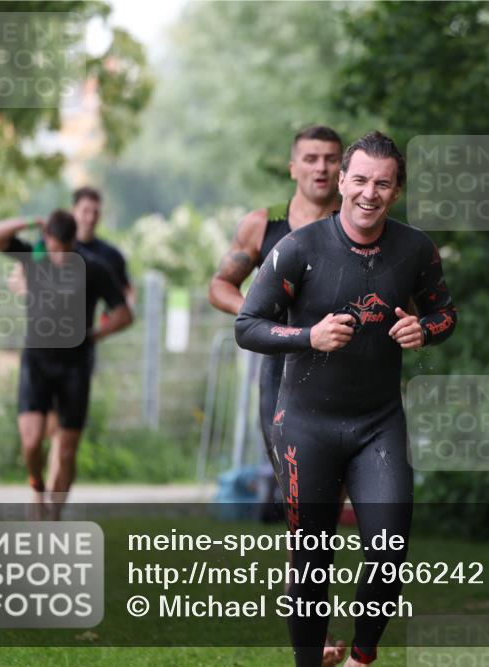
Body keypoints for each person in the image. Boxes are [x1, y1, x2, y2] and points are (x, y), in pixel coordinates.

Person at [235, 131, 457, 667]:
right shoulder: (298, 248)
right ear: (342, 181)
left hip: (378, 424)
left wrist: (423, 331)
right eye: (359, 180)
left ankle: (361, 657)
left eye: (382, 183)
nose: (369, 193)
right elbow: (248, 325)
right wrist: (308, 336)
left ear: (397, 190)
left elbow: (445, 314)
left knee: (390, 548)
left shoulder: (415, 249)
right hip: (306, 426)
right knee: (312, 560)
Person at [209, 125, 346, 666]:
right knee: (306, 512)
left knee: (324, 516)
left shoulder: (355, 223)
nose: (321, 168)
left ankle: (310, 627)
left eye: (331, 159)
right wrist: (256, 309)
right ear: (292, 167)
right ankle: (313, 638)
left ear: (343, 167)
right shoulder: (262, 225)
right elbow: (219, 285)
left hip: (349, 383)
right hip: (283, 383)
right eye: (310, 158)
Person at [0, 210, 133, 518]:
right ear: (47, 239)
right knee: (31, 441)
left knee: (66, 452)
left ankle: (53, 514)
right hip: (36, 363)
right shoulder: (33, 258)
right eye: (55, 247)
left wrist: (97, 334)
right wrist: (29, 221)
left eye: (67, 248)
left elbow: (123, 313)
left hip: (75, 366)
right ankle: (37, 487)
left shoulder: (93, 268)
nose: (61, 255)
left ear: (73, 241)